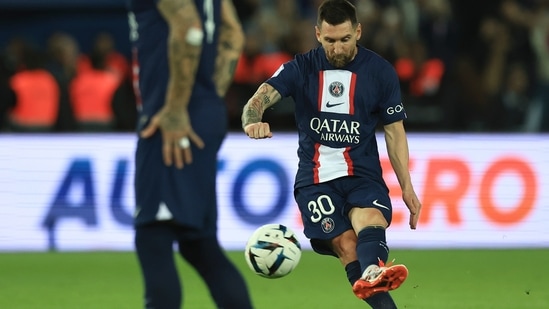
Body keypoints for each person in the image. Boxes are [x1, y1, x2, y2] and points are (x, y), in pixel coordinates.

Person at [241, 0, 421, 308]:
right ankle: (371, 269)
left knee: (371, 218)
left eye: (345, 39)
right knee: (347, 244)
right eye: (330, 41)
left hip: (362, 173)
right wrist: (252, 121)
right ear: (317, 34)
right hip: (315, 180)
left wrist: (407, 186)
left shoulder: (379, 72)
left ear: (358, 32)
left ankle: (373, 269)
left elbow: (394, 131)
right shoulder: (301, 68)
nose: (337, 49)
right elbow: (257, 100)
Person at [127, 0, 252, 308]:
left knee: (152, 235)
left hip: (172, 118)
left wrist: (177, 109)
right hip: (205, 114)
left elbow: (189, 29)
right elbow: (233, 34)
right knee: (199, 245)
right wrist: (208, 95)